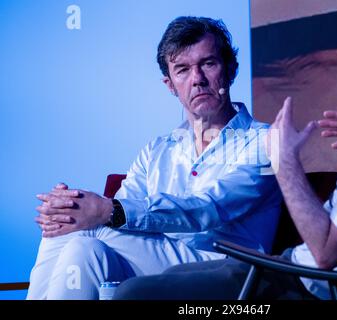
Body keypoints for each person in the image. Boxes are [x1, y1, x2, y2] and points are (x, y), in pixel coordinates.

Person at [114, 0, 337, 300]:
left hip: (304, 283)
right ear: (170, 83)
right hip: (290, 269)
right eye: (183, 70)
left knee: (132, 292)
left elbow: (324, 254)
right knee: (139, 265)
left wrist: (284, 160)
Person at [27, 16, 282, 299]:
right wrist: (73, 210)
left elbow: (208, 209)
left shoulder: (266, 141)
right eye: (182, 70)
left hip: (226, 271)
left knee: (90, 226)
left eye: (208, 64)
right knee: (78, 242)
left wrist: (103, 211)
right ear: (170, 84)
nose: (197, 79)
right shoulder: (157, 150)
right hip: (160, 266)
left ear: (230, 69)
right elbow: (124, 207)